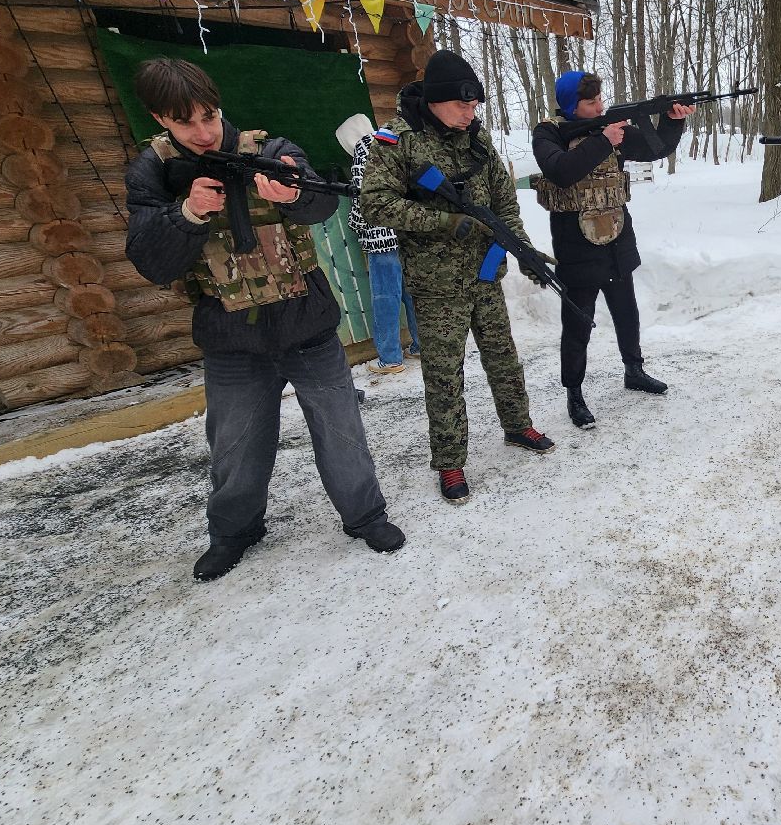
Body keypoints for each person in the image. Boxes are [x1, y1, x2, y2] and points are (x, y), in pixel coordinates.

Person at [123, 58, 405, 581]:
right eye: (187, 123)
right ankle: (235, 531)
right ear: (160, 118)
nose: (205, 132)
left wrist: (296, 192)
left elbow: (320, 202)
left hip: (307, 325)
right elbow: (150, 260)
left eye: (210, 115)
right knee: (233, 444)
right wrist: (186, 214)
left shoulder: (270, 151)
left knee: (342, 432)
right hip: (230, 338)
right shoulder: (152, 172)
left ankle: (366, 515)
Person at [359, 49, 554, 504]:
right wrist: (444, 223)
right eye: (462, 106)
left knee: (504, 357)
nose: (470, 114)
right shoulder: (398, 142)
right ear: (436, 102)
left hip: (485, 272)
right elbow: (374, 204)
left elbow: (504, 204)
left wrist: (522, 250)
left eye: (474, 107)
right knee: (445, 376)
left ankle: (517, 425)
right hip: (436, 284)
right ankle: (450, 463)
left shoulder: (478, 141)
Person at [530, 72, 693, 428]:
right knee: (578, 324)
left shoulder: (610, 128)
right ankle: (574, 393)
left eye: (600, 99)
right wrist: (604, 140)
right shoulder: (549, 134)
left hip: (617, 238)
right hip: (576, 245)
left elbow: (656, 148)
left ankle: (634, 370)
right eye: (590, 103)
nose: (599, 106)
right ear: (572, 106)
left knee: (626, 311)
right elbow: (561, 171)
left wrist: (670, 120)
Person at [344, 122, 421, 374]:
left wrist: (355, 225)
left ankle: (390, 358)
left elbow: (360, 196)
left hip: (381, 237)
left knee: (385, 299)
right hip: (406, 231)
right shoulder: (394, 143)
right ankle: (422, 346)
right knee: (411, 294)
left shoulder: (363, 151)